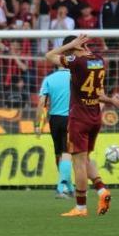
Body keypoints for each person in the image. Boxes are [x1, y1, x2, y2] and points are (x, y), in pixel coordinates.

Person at [46, 34, 119, 217]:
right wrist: (110, 100)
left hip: (79, 117)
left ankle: (80, 207)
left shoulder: (77, 61)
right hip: (95, 116)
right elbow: (99, 94)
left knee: (78, 163)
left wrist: (70, 45)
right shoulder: (99, 60)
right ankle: (102, 190)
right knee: (86, 159)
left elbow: (49, 56)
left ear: (74, 47)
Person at [38, 65, 74, 199]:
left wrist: (38, 124)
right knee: (67, 153)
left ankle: (68, 188)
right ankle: (60, 188)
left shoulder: (49, 78)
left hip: (54, 120)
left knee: (58, 153)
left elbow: (41, 103)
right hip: (70, 119)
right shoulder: (75, 77)